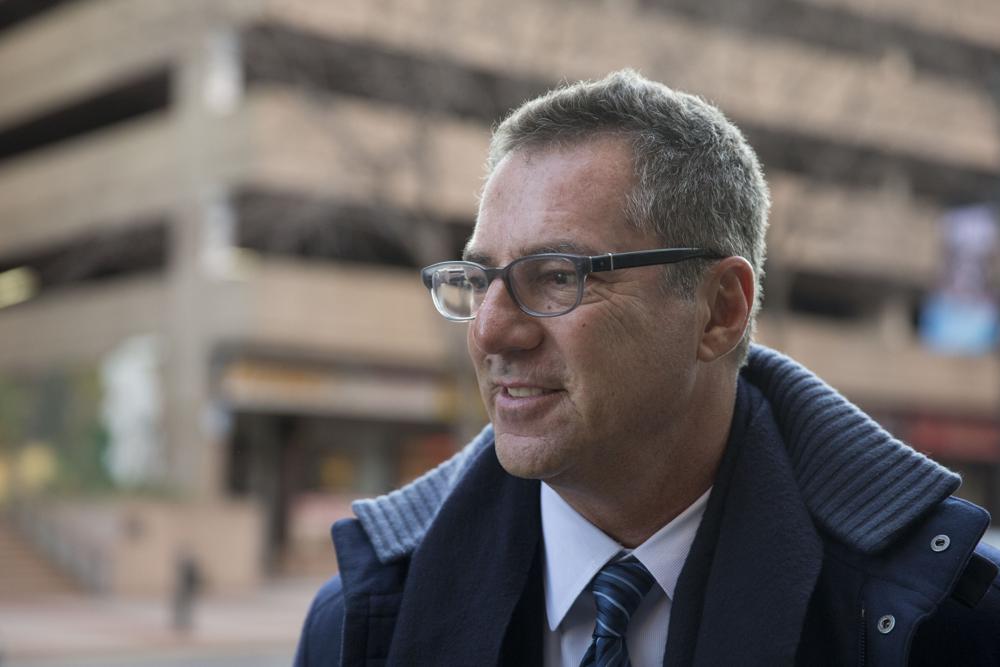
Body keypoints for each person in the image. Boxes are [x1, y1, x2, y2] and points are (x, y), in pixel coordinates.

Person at [294, 70, 1000, 666]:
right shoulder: (361, 626)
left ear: (721, 309)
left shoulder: (946, 620)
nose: (491, 329)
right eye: (480, 280)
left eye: (558, 275)